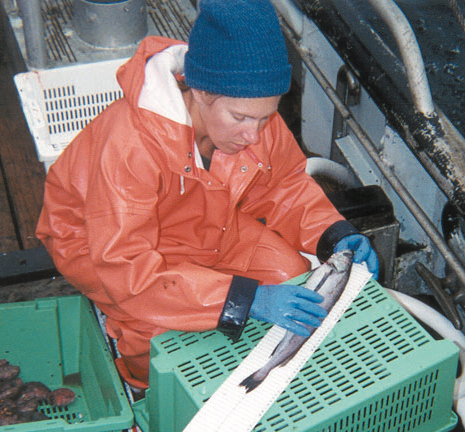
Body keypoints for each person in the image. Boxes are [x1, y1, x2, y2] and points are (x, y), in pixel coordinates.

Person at [36, 0, 378, 389]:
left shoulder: (252, 112)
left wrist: (333, 233)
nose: (254, 135)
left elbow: (284, 185)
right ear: (198, 91)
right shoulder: (129, 145)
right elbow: (125, 265)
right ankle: (139, 385)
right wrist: (246, 300)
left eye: (265, 117)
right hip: (99, 245)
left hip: (202, 223)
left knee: (293, 275)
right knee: (155, 344)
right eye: (241, 118)